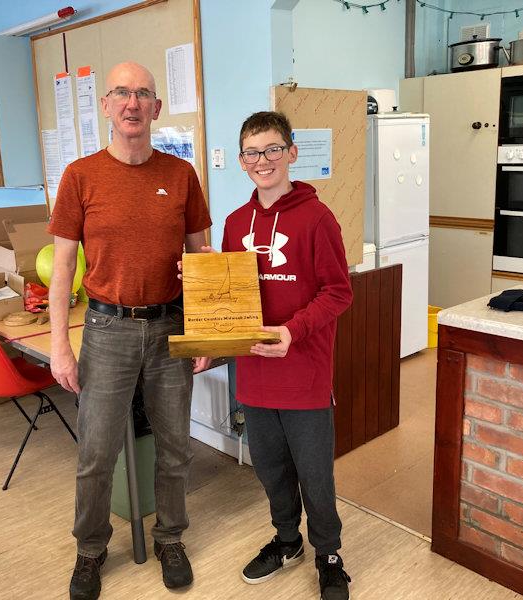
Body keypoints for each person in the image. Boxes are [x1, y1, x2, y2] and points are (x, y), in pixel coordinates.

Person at [47, 61, 212, 600]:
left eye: (143, 93)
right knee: (95, 451)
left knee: (174, 447)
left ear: (157, 108)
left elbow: (202, 259)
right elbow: (64, 269)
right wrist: (59, 347)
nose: (132, 103)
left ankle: (170, 537)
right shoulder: (80, 176)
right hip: (106, 329)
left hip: (170, 327)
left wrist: (206, 330)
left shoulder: (181, 175)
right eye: (122, 93)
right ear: (106, 105)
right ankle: (90, 551)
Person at [221, 111, 354, 600]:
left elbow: (339, 293)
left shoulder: (318, 218)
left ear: (292, 152)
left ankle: (329, 554)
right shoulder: (235, 224)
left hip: (304, 373)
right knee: (271, 468)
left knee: (315, 473)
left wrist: (292, 331)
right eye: (253, 153)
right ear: (241, 161)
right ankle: (286, 540)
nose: (264, 161)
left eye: (273, 149)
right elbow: (229, 297)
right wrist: (196, 289)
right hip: (254, 374)